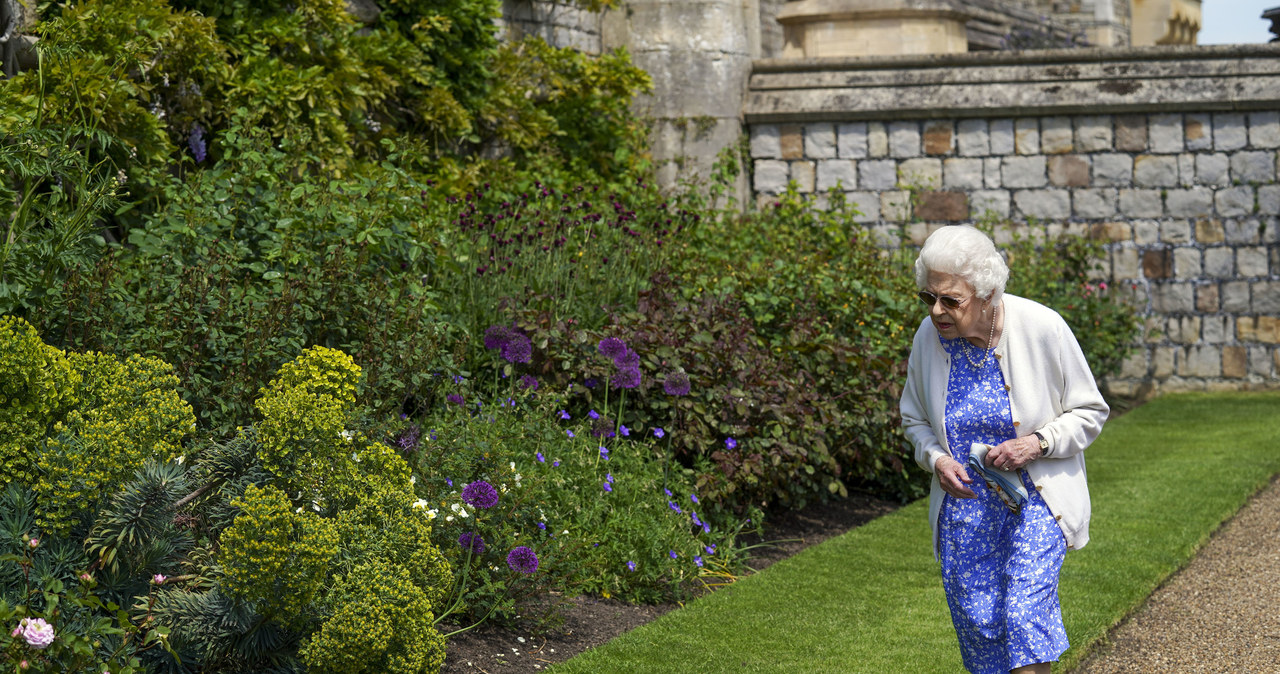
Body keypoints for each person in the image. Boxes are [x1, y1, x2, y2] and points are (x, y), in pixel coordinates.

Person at [899, 225, 1109, 674]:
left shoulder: (1041, 326)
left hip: (1039, 498)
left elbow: (1090, 410)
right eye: (928, 297)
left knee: (1023, 610)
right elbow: (914, 419)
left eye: (950, 300)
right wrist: (936, 459)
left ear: (986, 292)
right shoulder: (928, 338)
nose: (936, 310)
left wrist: (1036, 443)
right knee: (980, 623)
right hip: (966, 506)